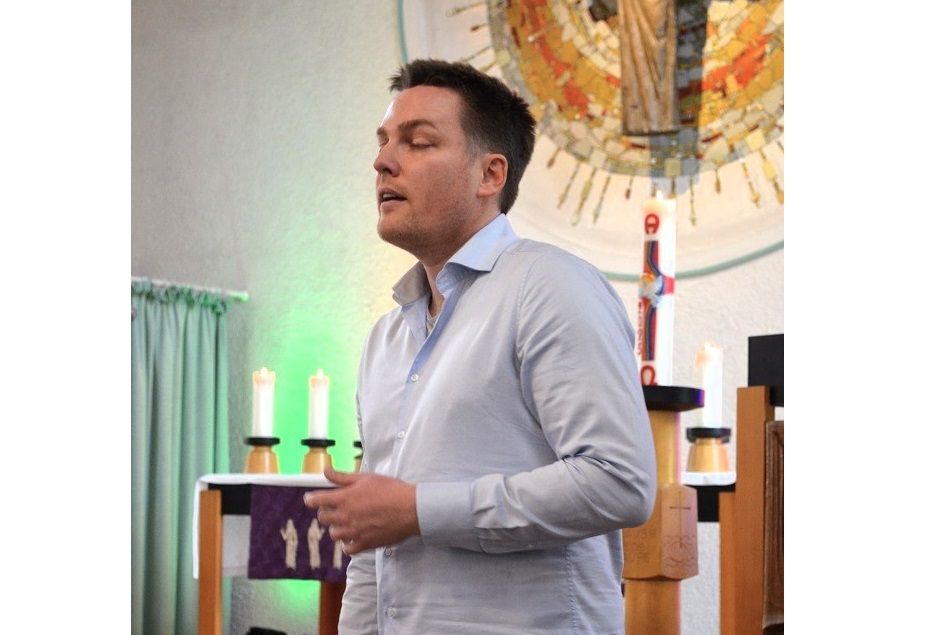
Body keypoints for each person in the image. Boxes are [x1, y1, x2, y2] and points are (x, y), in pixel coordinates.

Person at [304, 59, 656, 634]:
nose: (382, 161)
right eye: (384, 141)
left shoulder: (549, 287)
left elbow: (618, 482)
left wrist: (419, 511)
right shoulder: (386, 337)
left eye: (418, 142)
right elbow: (375, 547)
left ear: (490, 174)